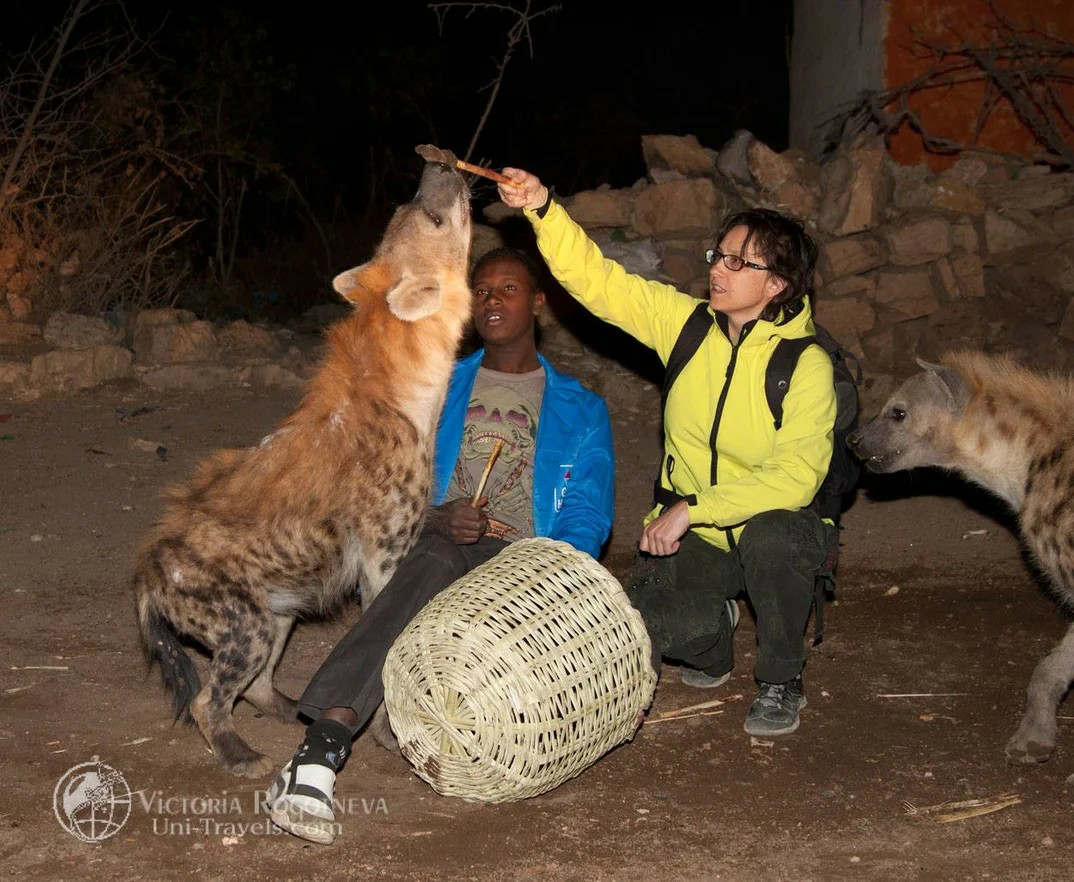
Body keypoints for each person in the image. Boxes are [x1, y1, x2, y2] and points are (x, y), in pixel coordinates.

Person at [267, 247, 616, 844]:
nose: (492, 300)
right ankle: (321, 751)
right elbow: (384, 483)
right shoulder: (437, 385)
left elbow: (587, 515)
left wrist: (548, 570)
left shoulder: (582, 410)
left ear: (538, 305)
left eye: (508, 289)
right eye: (481, 290)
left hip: (526, 563)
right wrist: (433, 518)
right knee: (436, 557)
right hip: (437, 545)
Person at [497, 170, 835, 739]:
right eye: (718, 255)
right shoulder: (685, 325)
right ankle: (714, 638)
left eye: (738, 263)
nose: (717, 270)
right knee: (638, 628)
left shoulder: (804, 364)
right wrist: (542, 209)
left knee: (774, 537)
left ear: (777, 284)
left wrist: (692, 508)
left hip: (769, 525)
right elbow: (597, 281)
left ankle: (781, 678)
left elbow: (796, 478)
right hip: (695, 535)